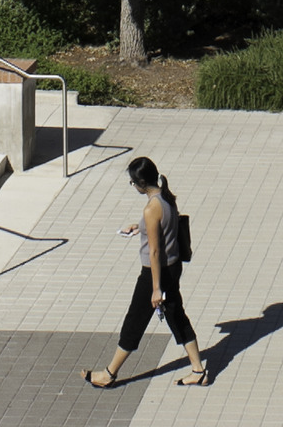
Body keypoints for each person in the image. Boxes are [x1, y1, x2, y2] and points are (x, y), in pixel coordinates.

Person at [85, 156, 207, 389]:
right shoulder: (166, 196)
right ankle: (198, 370)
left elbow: (154, 251)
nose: (133, 186)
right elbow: (165, 226)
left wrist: (155, 288)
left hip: (156, 273)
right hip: (173, 267)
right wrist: (139, 226)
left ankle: (109, 373)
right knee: (177, 317)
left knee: (135, 321)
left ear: (141, 183)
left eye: (133, 183)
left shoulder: (151, 208)